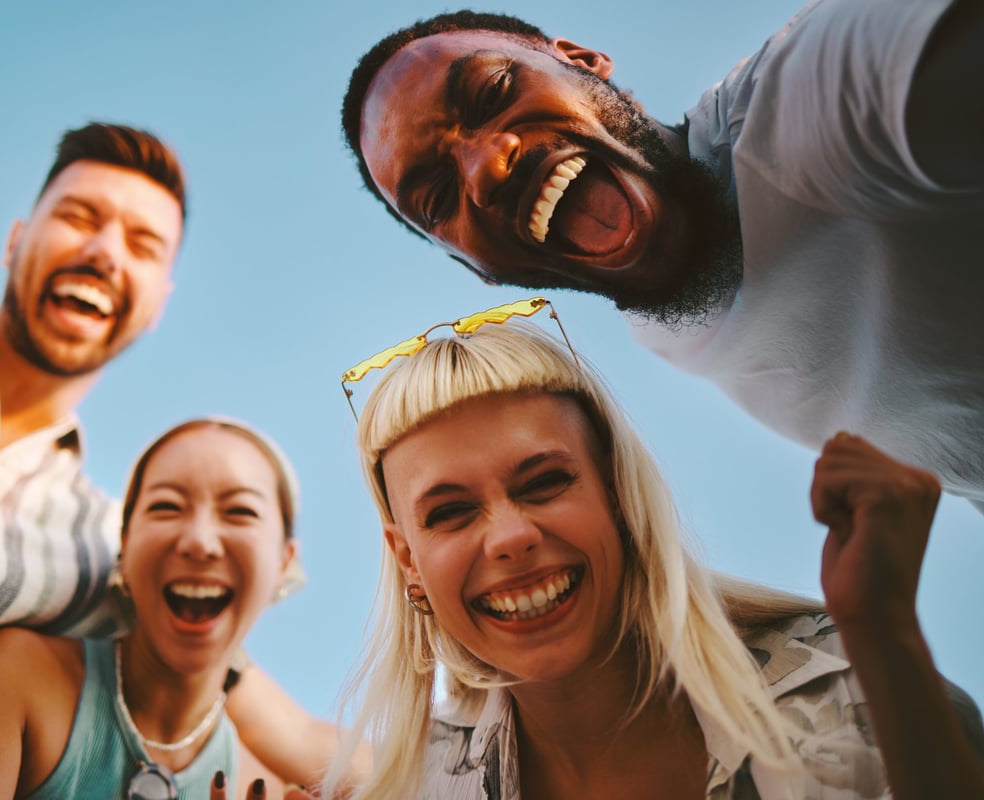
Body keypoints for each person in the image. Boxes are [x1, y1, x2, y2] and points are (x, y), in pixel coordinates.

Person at [0, 2, 333, 796]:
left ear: (159, 299)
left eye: (143, 246)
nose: (106, 251)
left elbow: (287, 732)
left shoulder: (104, 551)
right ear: (15, 240)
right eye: (80, 217)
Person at [339, 2, 984, 509]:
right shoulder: (658, 319)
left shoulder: (810, 106)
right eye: (439, 196)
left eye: (492, 91)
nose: (485, 170)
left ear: (584, 62)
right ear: (475, 270)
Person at [320, 308, 984, 799]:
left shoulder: (857, 691)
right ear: (408, 561)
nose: (509, 537)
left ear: (616, 490)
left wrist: (886, 636)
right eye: (450, 512)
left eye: (545, 482)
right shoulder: (410, 788)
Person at [0, 417, 319, 800]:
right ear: (125, 545)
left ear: (284, 562)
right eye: (166, 507)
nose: (199, 541)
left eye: (240, 512)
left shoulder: (257, 788)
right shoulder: (22, 676)